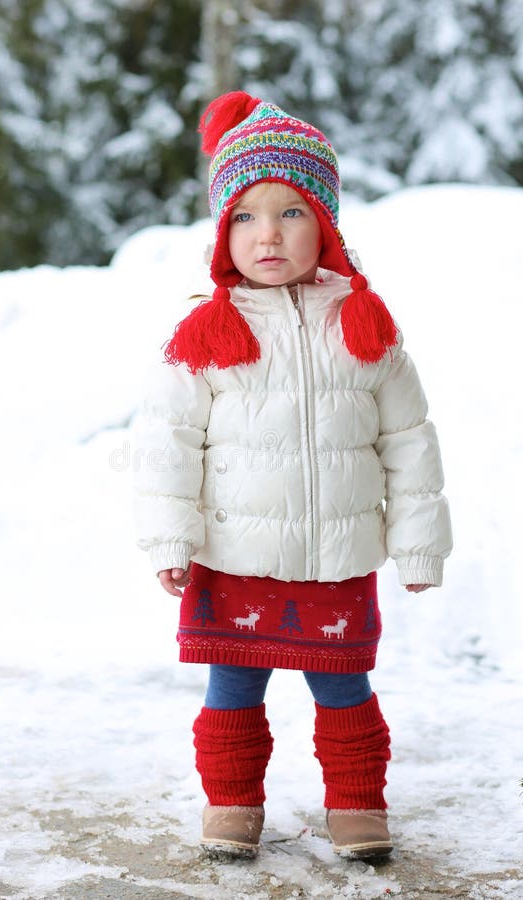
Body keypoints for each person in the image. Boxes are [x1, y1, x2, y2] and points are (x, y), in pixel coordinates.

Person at [133, 91, 452, 861]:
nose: (267, 234)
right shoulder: (207, 336)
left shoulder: (366, 329)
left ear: (328, 224)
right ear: (222, 232)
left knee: (343, 690)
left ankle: (356, 806)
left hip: (336, 558)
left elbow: (410, 444)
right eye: (245, 215)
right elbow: (166, 444)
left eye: (292, 212)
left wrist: (418, 544)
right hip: (233, 555)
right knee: (232, 691)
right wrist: (169, 538)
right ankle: (233, 805)